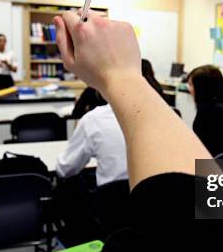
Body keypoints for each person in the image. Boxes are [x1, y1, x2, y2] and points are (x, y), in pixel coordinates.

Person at [40, 10, 223, 252]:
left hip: (114, 212)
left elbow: (65, 169)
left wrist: (118, 78)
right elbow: (214, 239)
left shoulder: (92, 121)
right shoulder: (208, 114)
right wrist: (123, 75)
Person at [56, 59, 163, 187]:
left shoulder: (94, 120)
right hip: (155, 201)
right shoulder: (166, 117)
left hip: (110, 202)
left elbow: (65, 169)